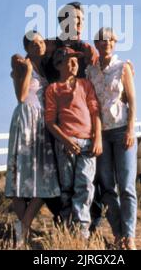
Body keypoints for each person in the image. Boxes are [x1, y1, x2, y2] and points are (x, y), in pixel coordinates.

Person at [5, 31, 60, 246]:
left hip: (41, 123)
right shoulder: (22, 65)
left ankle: (23, 225)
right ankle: (24, 233)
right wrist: (27, 69)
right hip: (25, 118)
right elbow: (20, 95)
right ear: (27, 48)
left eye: (41, 42)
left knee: (46, 179)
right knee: (19, 178)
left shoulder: (44, 68)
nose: (39, 46)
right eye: (34, 43)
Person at [86, 27, 138, 250]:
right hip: (102, 134)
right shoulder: (91, 72)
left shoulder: (123, 67)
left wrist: (130, 129)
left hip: (121, 130)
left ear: (114, 43)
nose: (106, 43)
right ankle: (118, 234)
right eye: (101, 40)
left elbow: (132, 101)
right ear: (96, 45)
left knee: (126, 186)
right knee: (107, 187)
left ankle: (130, 235)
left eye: (110, 40)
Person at [45, 47, 102, 239]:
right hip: (65, 144)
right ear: (59, 64)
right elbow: (50, 122)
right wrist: (66, 141)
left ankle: (82, 233)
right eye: (70, 61)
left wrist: (97, 138)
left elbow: (95, 112)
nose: (75, 64)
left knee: (85, 186)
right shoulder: (53, 89)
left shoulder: (85, 85)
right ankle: (65, 231)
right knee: (67, 188)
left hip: (87, 143)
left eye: (76, 61)